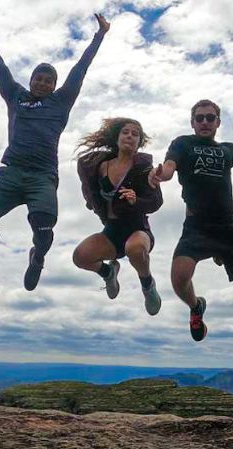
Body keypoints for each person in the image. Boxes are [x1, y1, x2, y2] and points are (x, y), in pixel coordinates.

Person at [0, 14, 109, 291]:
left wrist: (99, 35)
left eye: (48, 81)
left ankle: (37, 257)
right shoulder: (15, 95)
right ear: (31, 81)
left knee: (43, 230)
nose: (42, 84)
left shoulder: (61, 101)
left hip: (42, 178)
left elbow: (81, 67)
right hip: (11, 174)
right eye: (38, 79)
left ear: (54, 85)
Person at [150, 100, 233, 341]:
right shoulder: (183, 143)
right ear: (192, 122)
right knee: (179, 278)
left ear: (218, 122)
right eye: (200, 118)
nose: (205, 122)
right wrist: (160, 175)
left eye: (210, 118)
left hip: (228, 228)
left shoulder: (229, 149)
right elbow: (168, 167)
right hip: (196, 227)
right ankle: (196, 306)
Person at [73, 118, 163, 315]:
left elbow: (156, 202)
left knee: (135, 248)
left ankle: (147, 285)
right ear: (117, 138)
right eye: (125, 132)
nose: (130, 136)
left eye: (135, 134)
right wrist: (92, 202)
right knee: (80, 257)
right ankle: (108, 272)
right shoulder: (99, 166)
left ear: (139, 142)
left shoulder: (144, 169)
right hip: (112, 231)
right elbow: (89, 188)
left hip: (138, 229)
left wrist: (136, 200)